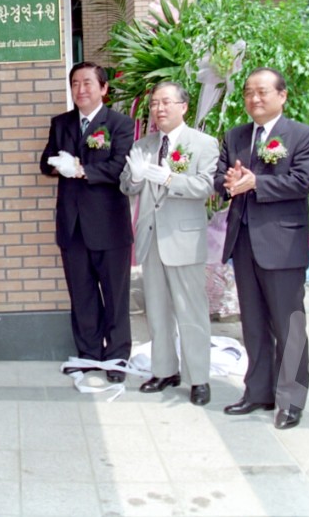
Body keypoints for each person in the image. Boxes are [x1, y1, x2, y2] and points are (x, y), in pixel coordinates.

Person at [214, 67, 309, 430]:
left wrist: (257, 183)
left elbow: (302, 182)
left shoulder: (302, 136)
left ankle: (291, 400)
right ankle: (257, 391)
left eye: (262, 92)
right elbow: (220, 178)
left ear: (282, 96)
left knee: (288, 325)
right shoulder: (235, 135)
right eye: (248, 93)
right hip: (243, 242)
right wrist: (228, 182)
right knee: (254, 324)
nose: (254, 99)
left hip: (282, 243)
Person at [120, 82, 218, 405]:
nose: (159, 109)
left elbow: (205, 186)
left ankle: (198, 377)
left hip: (184, 239)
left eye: (166, 103)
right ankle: (164, 370)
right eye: (155, 104)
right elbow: (126, 185)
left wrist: (169, 179)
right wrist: (135, 177)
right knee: (157, 311)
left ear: (183, 107)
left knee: (191, 311)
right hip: (151, 238)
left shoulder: (203, 144)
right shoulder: (144, 145)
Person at [40, 62, 135, 381]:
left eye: (87, 83)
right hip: (72, 225)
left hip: (109, 225)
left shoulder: (120, 123)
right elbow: (45, 161)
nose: (81, 89)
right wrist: (57, 166)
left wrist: (81, 169)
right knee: (81, 294)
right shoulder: (62, 123)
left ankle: (118, 355)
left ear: (104, 88)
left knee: (115, 294)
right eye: (75, 84)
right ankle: (89, 353)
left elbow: (120, 166)